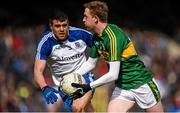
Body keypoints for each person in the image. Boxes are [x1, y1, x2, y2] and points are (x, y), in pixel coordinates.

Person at [71, 1, 164, 112]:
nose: (83, 20)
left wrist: (89, 86)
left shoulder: (113, 37)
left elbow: (113, 74)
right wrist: (71, 76)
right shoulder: (96, 38)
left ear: (95, 18)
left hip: (141, 84)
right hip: (122, 87)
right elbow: (91, 63)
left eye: (86, 16)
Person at [34, 10, 94, 112]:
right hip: (64, 86)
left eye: (64, 25)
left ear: (68, 24)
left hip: (84, 77)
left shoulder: (81, 34)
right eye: (57, 26)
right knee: (87, 107)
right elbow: (37, 71)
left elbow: (103, 47)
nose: (62, 29)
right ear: (51, 26)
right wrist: (44, 88)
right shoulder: (45, 43)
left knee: (77, 107)